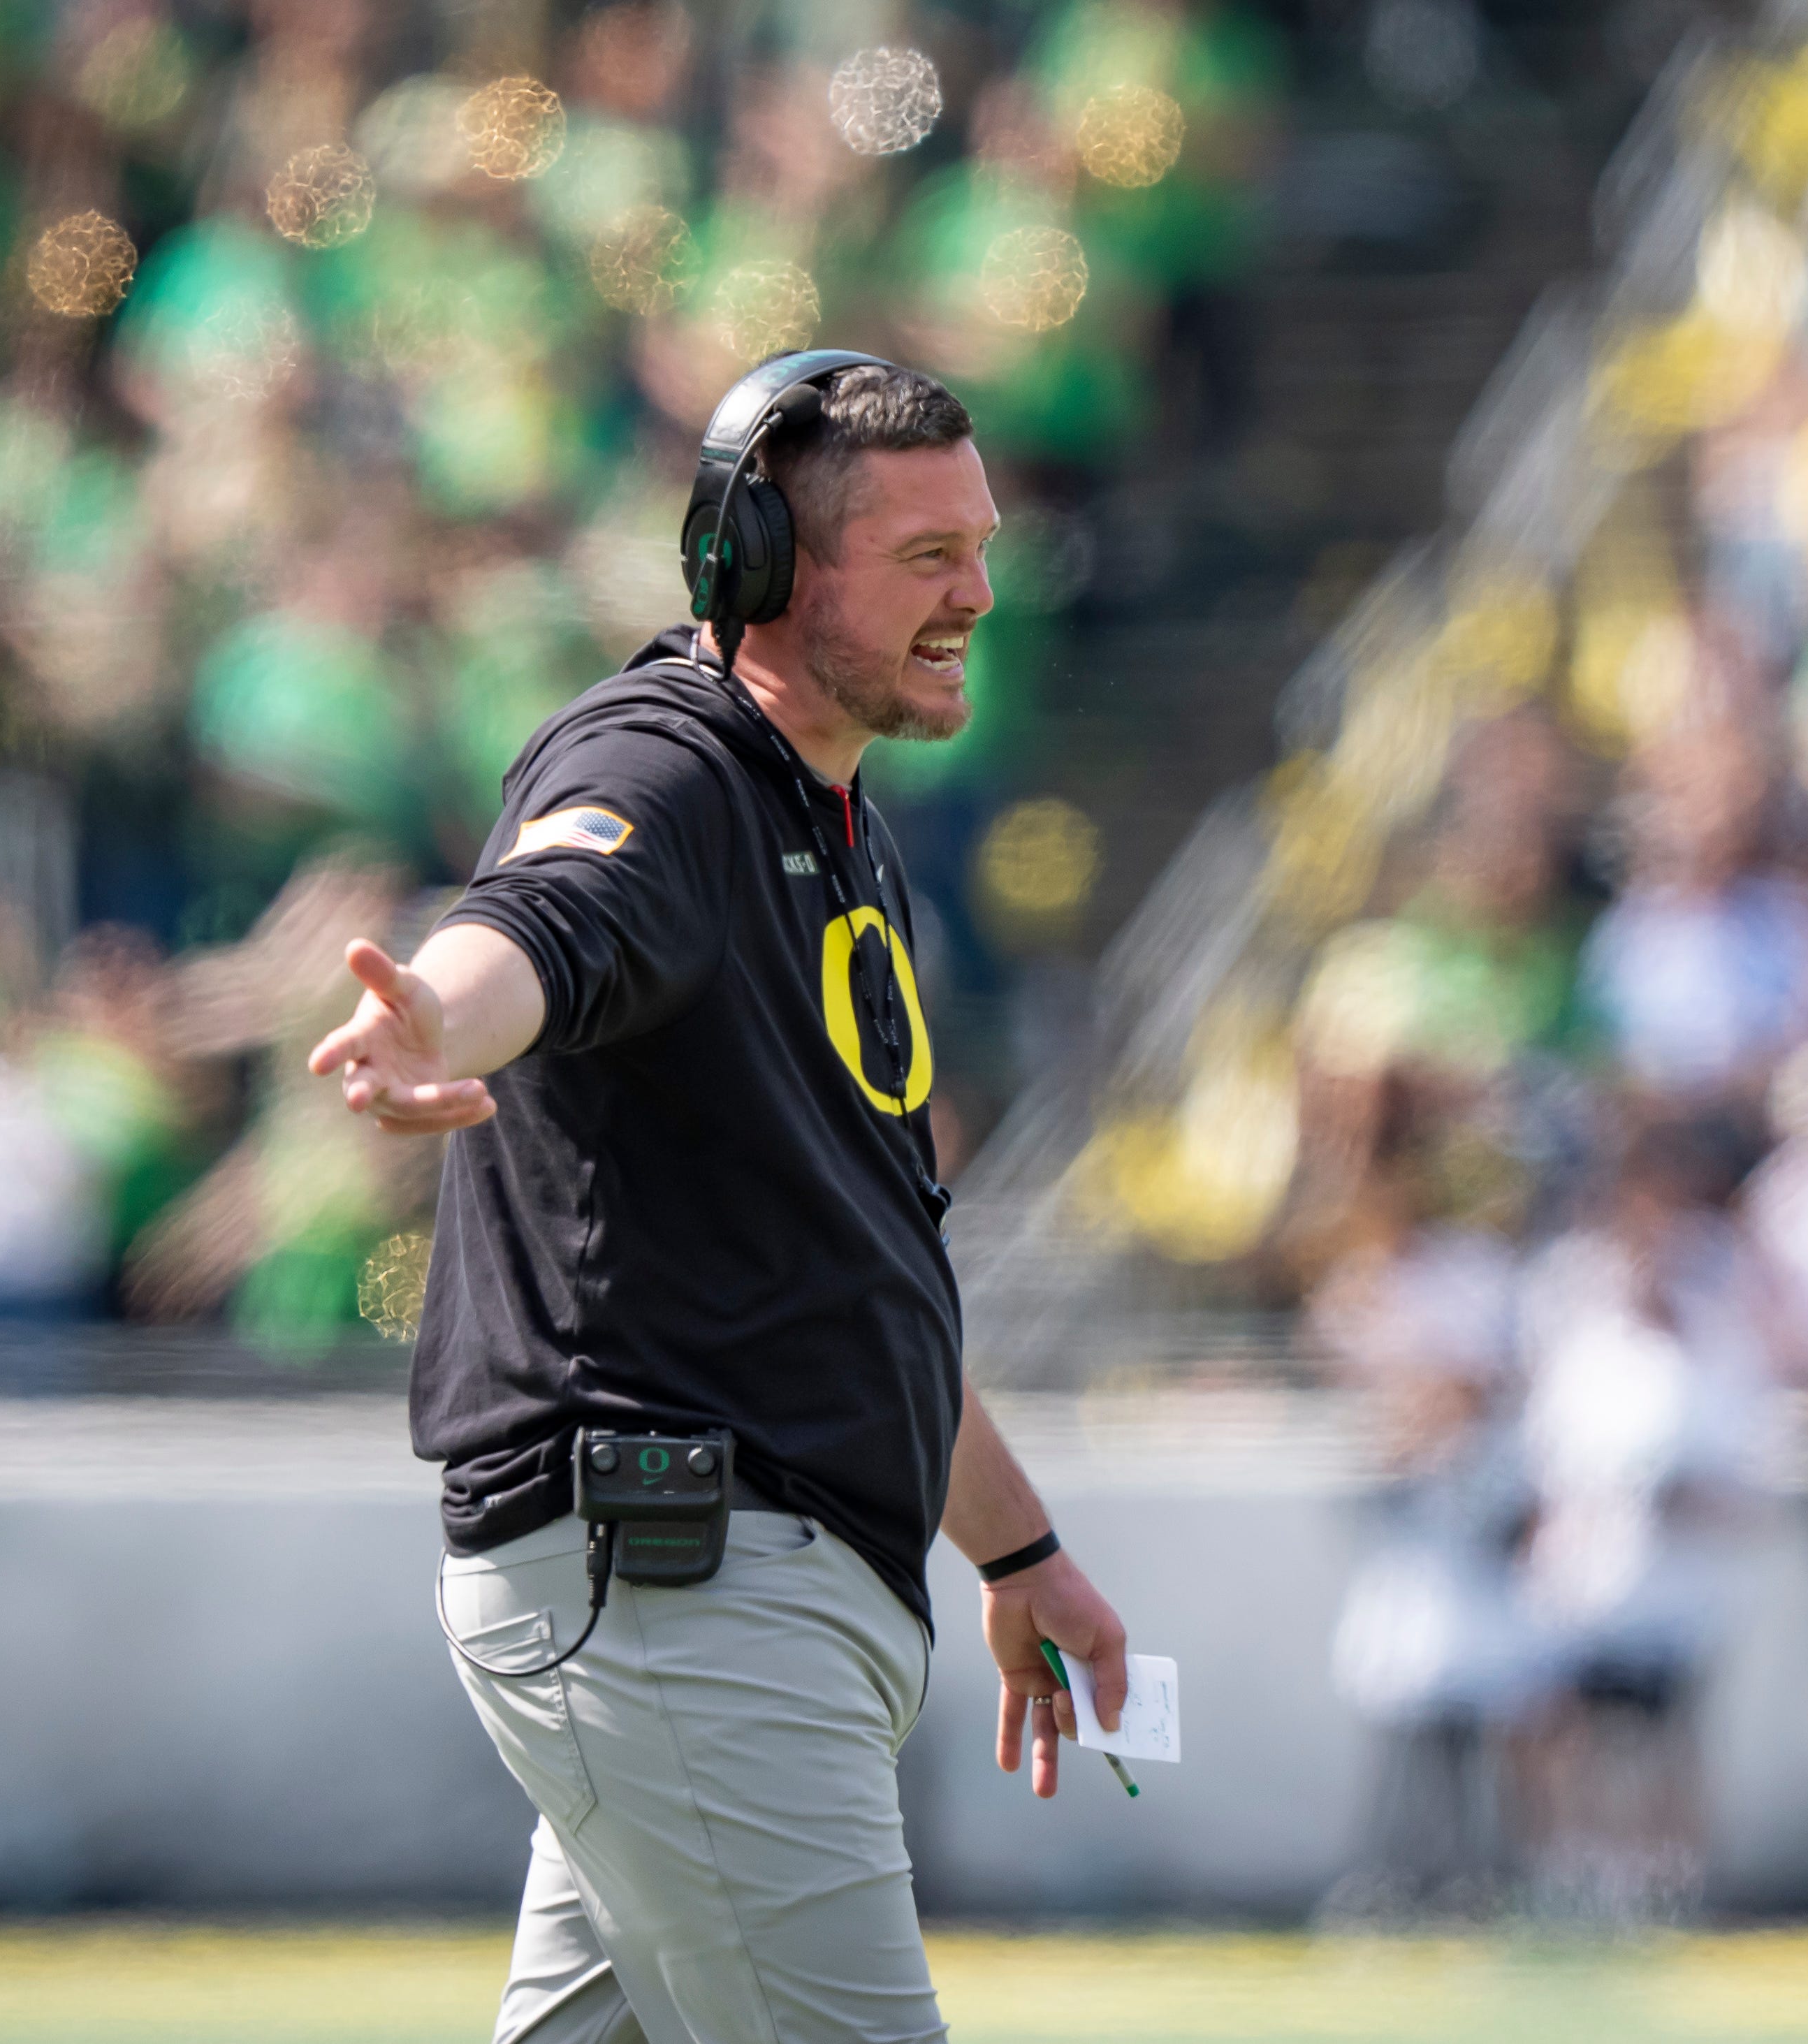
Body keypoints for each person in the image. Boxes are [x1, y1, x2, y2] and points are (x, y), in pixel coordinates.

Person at [306, 355, 1126, 2044]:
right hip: (685, 1590)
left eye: (981, 549)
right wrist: (429, 1027)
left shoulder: (828, 822)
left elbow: (850, 1266)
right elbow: (537, 922)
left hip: (713, 1587)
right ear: (759, 567)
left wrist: (1018, 1546)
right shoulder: (666, 770)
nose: (978, 593)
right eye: (923, 558)